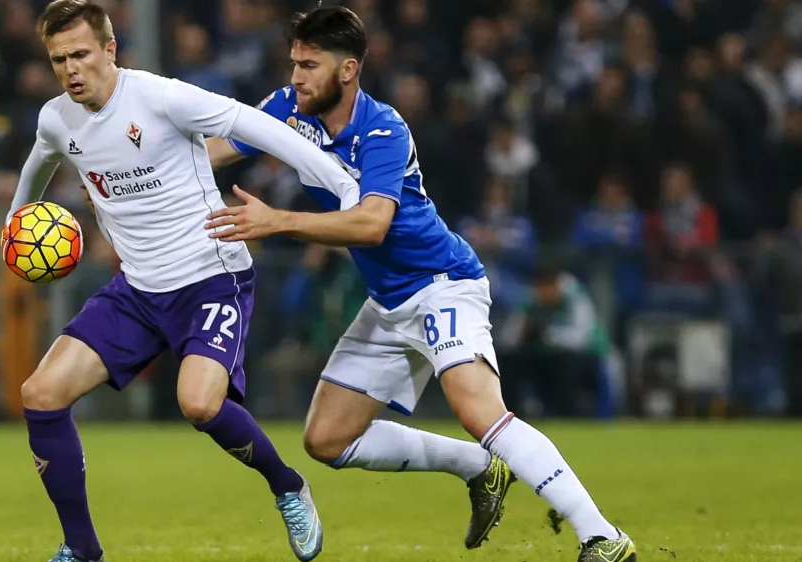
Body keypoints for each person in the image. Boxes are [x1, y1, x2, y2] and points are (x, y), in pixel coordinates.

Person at [205, 6, 636, 562]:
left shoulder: (383, 129)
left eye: (309, 65)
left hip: (442, 284)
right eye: (293, 63)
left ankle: (602, 536)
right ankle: (479, 467)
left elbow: (371, 223)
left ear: (348, 69)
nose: (296, 77)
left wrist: (279, 221)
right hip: (387, 303)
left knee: (479, 410)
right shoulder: (290, 107)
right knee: (326, 440)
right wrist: (129, 173)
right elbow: (220, 147)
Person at [10, 1, 364, 561]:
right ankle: (82, 550)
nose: (70, 69)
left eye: (80, 54)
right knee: (41, 394)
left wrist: (344, 185)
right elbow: (39, 162)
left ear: (110, 50)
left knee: (199, 405)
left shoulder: (161, 98)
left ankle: (288, 486)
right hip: (137, 290)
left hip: (210, 278)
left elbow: (264, 129)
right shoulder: (57, 117)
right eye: (58, 60)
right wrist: (16, 218)